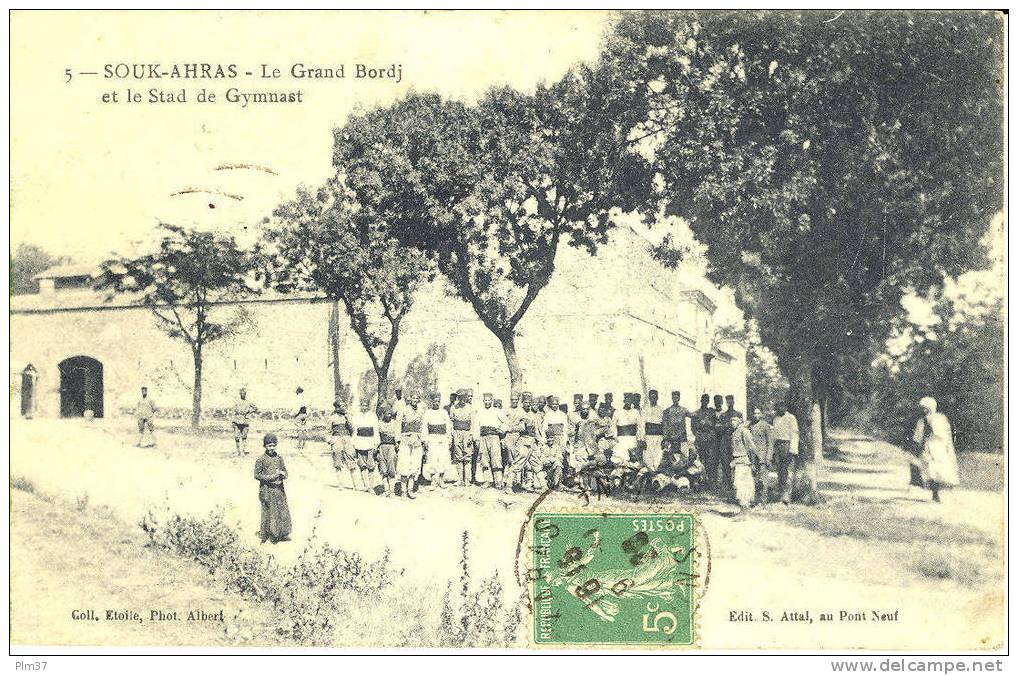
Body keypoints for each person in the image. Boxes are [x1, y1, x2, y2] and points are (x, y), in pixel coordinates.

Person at [913, 397, 960, 503]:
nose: (924, 410)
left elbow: (945, 434)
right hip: (930, 446)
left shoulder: (939, 419)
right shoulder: (923, 421)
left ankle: (939, 491)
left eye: (925, 408)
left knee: (940, 469)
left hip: (938, 446)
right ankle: (935, 493)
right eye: (922, 408)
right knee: (931, 469)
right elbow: (919, 436)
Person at [254, 433, 291, 544]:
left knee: (281, 510)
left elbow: (286, 473)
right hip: (267, 489)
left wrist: (283, 474)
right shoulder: (261, 459)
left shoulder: (279, 458)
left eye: (274, 445)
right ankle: (267, 534)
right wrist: (272, 477)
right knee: (269, 511)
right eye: (269, 446)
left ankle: (281, 533)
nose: (272, 448)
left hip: (279, 489)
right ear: (265, 446)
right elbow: (256, 475)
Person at [395, 392, 425, 499]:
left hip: (417, 440)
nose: (415, 400)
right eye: (413, 397)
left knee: (415, 463)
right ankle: (403, 490)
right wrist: (397, 440)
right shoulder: (403, 409)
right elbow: (398, 424)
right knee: (404, 463)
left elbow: (423, 426)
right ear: (410, 399)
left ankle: (410, 489)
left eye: (417, 398)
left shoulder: (421, 411)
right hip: (405, 439)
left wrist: (423, 439)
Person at [772, 401, 800, 504]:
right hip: (778, 445)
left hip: (787, 445)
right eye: (778, 407)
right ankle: (781, 494)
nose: (780, 409)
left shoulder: (791, 418)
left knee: (787, 470)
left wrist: (793, 449)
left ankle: (787, 496)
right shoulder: (775, 419)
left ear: (785, 407)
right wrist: (773, 450)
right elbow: (774, 434)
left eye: (782, 407)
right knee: (780, 471)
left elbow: (795, 433)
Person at [423, 392, 453, 490]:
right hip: (432, 438)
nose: (437, 403)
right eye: (435, 401)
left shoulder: (444, 412)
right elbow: (424, 427)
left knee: (443, 458)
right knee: (432, 458)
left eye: (438, 401)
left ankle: (441, 479)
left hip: (442, 438)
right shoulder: (428, 413)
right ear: (432, 402)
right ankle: (433, 481)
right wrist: (425, 440)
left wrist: (448, 438)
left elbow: (448, 426)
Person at [476, 393, 505, 489]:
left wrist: (501, 429)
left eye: (489, 400)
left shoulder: (497, 411)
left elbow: (506, 422)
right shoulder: (480, 412)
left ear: (492, 401)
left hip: (494, 437)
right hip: (483, 436)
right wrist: (477, 438)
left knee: (496, 458)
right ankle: (487, 480)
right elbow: (477, 426)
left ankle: (498, 481)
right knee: (484, 459)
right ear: (483, 401)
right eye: (486, 400)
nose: (487, 402)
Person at [350, 396, 379, 493]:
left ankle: (371, 486)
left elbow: (376, 430)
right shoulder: (356, 415)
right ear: (360, 406)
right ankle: (366, 485)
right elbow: (354, 430)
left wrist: (376, 443)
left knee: (371, 465)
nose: (364, 407)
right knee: (362, 465)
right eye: (362, 405)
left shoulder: (373, 415)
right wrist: (353, 442)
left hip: (370, 441)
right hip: (359, 442)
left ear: (368, 406)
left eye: (366, 405)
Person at [729, 415, 758, 512]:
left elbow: (751, 447)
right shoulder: (735, 432)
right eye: (731, 420)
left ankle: (745, 507)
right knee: (738, 483)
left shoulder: (744, 431)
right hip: (737, 461)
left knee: (743, 484)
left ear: (740, 421)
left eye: (734, 420)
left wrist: (752, 462)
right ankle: (743, 506)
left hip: (744, 461)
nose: (732, 422)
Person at [328, 400, 359, 490]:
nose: (344, 407)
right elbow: (328, 431)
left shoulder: (348, 417)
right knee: (338, 463)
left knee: (351, 461)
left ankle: (356, 485)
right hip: (336, 439)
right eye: (342, 406)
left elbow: (353, 430)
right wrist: (330, 440)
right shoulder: (332, 418)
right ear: (337, 407)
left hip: (347, 440)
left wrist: (348, 420)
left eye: (344, 406)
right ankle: (340, 484)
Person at [717, 395, 744, 495]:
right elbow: (718, 429)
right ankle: (727, 484)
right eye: (728, 401)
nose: (730, 403)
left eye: (731, 401)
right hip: (725, 441)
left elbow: (741, 427)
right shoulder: (723, 415)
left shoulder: (739, 414)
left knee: (737, 463)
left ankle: (736, 484)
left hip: (736, 441)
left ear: (734, 401)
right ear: (726, 403)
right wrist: (728, 426)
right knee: (725, 463)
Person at [540, 395, 568, 489]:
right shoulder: (547, 414)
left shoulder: (563, 415)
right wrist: (544, 439)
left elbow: (565, 428)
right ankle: (550, 480)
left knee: (561, 458)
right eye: (553, 404)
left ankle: (560, 481)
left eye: (556, 404)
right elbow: (545, 427)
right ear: (550, 405)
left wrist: (565, 439)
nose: (555, 406)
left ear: (558, 404)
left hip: (560, 437)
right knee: (550, 457)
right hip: (551, 437)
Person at [450, 388, 476, 486]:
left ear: (466, 398)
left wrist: (471, 434)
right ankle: (460, 479)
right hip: (457, 433)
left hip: (467, 432)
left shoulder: (470, 408)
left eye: (463, 397)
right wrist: (452, 433)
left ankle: (467, 480)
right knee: (458, 456)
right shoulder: (453, 407)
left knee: (467, 456)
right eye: (459, 397)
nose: (461, 399)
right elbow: (451, 421)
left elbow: (473, 422)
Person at [691, 395, 718, 491]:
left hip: (710, 440)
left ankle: (710, 482)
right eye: (703, 400)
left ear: (708, 401)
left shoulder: (712, 413)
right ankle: (700, 481)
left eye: (707, 400)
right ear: (701, 401)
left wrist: (710, 435)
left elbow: (715, 426)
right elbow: (693, 429)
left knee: (710, 461)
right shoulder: (696, 413)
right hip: (700, 439)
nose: (705, 402)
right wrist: (699, 436)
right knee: (700, 461)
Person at [748, 407, 773, 507]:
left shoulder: (765, 425)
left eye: (758, 413)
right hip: (753, 457)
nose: (756, 415)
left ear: (761, 414)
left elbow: (770, 443)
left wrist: (768, 457)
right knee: (754, 479)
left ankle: (763, 502)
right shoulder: (750, 426)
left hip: (763, 457)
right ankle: (755, 500)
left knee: (763, 480)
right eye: (754, 413)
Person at [376, 405, 399, 497]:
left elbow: (397, 435)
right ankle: (386, 490)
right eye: (387, 413)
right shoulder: (379, 423)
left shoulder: (394, 423)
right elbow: (377, 436)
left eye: (390, 414)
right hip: (382, 446)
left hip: (391, 447)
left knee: (392, 468)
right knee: (383, 469)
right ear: (383, 414)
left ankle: (392, 490)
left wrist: (397, 444)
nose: (389, 415)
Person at [642, 389, 667, 471]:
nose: (653, 399)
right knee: (648, 458)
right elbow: (642, 425)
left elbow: (664, 425)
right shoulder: (645, 409)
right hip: (648, 437)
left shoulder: (661, 410)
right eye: (651, 397)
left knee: (658, 458)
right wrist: (643, 439)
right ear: (649, 398)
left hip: (659, 437)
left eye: (655, 397)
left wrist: (664, 438)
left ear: (657, 398)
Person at [232, 388, 258, 456]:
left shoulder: (248, 402)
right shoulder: (236, 402)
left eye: (244, 393)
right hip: (237, 421)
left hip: (245, 421)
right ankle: (238, 451)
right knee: (236, 437)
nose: (243, 394)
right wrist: (233, 422)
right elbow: (233, 412)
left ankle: (243, 451)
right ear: (239, 394)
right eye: (241, 393)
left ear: (245, 394)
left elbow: (255, 408)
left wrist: (249, 412)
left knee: (244, 437)